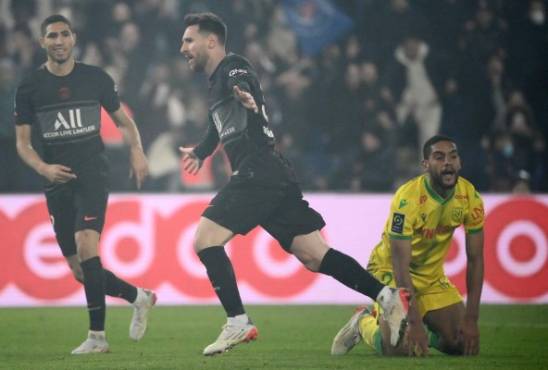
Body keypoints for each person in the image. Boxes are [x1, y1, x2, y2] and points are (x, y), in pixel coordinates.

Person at [177, 12, 410, 356]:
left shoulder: (233, 68)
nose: (183, 47)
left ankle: (238, 321)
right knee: (315, 256)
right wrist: (201, 151)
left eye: (188, 40)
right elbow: (218, 126)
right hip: (274, 173)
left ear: (211, 41)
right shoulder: (215, 85)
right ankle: (385, 296)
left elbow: (244, 84)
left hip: (257, 170)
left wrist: (251, 102)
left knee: (204, 240)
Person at [14, 15, 156, 354]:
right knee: (81, 271)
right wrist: (43, 168)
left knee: (87, 244)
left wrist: (137, 151)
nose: (59, 41)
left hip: (92, 174)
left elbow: (125, 122)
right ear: (42, 42)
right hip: (56, 181)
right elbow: (23, 143)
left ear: (73, 38)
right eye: (52, 36)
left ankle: (97, 338)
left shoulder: (95, 79)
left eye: (64, 34)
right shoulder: (30, 87)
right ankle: (140, 297)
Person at [331, 135, 484, 357]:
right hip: (390, 272)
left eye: (453, 156)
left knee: (461, 344)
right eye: (439, 157)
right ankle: (363, 322)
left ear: (460, 162)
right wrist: (414, 322)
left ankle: (425, 334)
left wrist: (471, 318)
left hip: (430, 278)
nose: (448, 162)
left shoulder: (470, 197)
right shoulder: (407, 199)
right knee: (397, 349)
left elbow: (476, 259)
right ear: (425, 165)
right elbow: (399, 264)